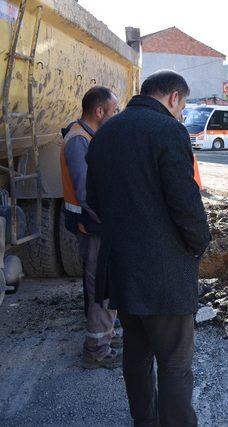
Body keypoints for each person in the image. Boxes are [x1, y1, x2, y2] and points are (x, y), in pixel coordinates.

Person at [86, 70, 211, 426]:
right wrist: (199, 244)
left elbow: (93, 201)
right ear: (173, 98)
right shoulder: (168, 131)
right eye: (183, 106)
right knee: (174, 363)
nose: (182, 113)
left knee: (136, 356)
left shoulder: (104, 133)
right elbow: (186, 204)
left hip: (122, 271)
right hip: (164, 275)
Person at [60, 86, 121, 369]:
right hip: (91, 226)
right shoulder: (78, 141)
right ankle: (96, 349)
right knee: (100, 287)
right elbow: (86, 192)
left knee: (102, 285)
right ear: (99, 112)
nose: (117, 115)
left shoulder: (86, 136)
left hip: (93, 224)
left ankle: (105, 335)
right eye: (114, 110)